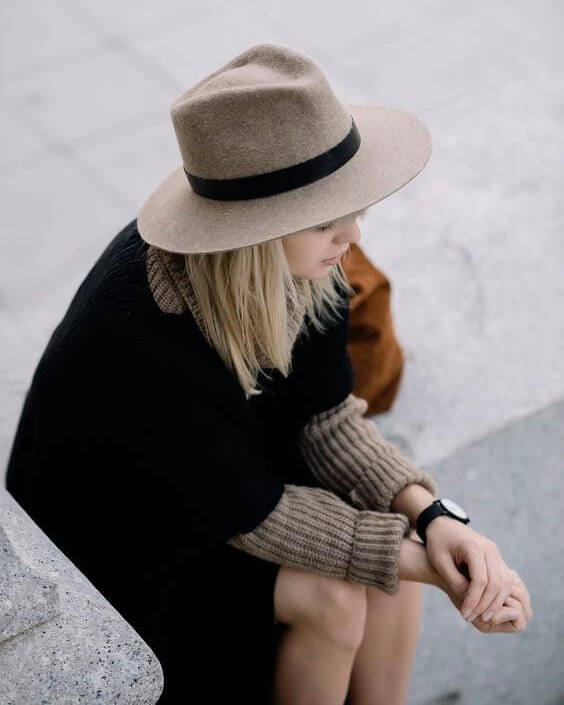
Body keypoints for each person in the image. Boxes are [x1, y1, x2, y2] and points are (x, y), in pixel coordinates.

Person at [4, 43, 532, 704]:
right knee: (339, 598)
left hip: (224, 477)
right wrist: (428, 562)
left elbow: (328, 420)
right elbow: (248, 511)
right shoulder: (141, 338)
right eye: (327, 219)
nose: (354, 236)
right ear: (255, 231)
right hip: (122, 542)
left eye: (351, 207)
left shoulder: (305, 270)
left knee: (389, 576)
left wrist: (433, 516)